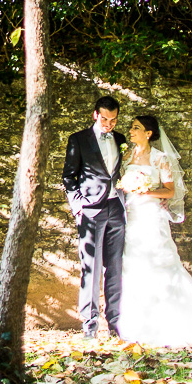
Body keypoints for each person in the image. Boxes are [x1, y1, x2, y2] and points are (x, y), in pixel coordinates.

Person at [116, 114, 192, 347]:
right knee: (134, 266)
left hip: (152, 218)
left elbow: (170, 192)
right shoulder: (127, 156)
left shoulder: (160, 159)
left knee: (162, 265)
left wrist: (145, 191)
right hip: (132, 218)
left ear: (149, 133)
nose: (131, 131)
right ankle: (140, 324)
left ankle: (176, 322)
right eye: (132, 128)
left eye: (136, 128)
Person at [62, 95, 127, 339]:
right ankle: (90, 326)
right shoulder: (78, 139)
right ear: (95, 115)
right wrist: (78, 207)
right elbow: (69, 177)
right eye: (105, 119)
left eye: (114, 120)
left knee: (115, 267)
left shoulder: (120, 140)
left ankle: (115, 323)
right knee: (91, 267)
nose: (109, 124)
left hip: (116, 209)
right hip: (91, 210)